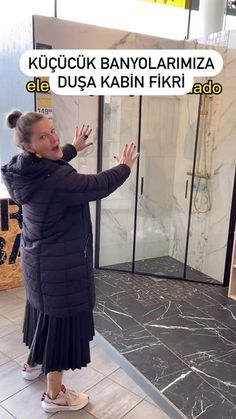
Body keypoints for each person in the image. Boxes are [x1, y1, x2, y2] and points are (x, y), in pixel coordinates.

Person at [1, 109, 138, 413]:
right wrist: (124, 167)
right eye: (43, 136)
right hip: (59, 265)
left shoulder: (21, 168)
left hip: (38, 261)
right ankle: (53, 396)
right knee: (59, 326)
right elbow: (97, 185)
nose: (54, 138)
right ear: (29, 146)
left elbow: (52, 165)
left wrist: (72, 147)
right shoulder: (57, 179)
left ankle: (32, 363)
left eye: (53, 130)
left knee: (42, 313)